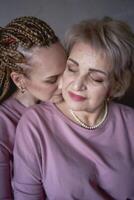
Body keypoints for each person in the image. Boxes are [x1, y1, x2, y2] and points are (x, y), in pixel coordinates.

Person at [13, 17, 134, 200]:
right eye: (72, 68)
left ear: (116, 86)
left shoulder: (130, 122)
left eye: (96, 78)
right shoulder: (35, 125)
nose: (76, 85)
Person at [0, 16, 66, 199]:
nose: (66, 85)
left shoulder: (71, 100)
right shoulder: (3, 126)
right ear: (19, 80)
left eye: (67, 70)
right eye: (52, 80)